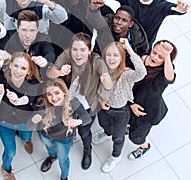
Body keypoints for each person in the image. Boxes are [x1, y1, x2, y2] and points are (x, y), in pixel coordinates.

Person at [47, 32, 113, 170]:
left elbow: (108, 84)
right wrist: (59, 73)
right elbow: (50, 73)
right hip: (67, 101)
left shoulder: (97, 61)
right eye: (75, 49)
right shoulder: (67, 55)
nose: (78, 54)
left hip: (88, 104)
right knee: (64, 124)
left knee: (84, 131)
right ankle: (60, 148)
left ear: (89, 51)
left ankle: (87, 149)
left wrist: (106, 81)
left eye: (83, 50)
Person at [93, 38, 146, 173]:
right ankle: (106, 133)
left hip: (121, 111)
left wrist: (128, 48)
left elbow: (141, 72)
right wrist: (100, 101)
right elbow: (94, 89)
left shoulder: (126, 74)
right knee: (103, 124)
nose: (111, 58)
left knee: (118, 136)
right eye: (109, 55)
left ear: (121, 57)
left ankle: (116, 156)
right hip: (104, 108)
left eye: (116, 55)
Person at [104, 0, 189, 49]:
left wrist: (181, 10)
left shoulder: (160, 5)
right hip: (119, 41)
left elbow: (174, 9)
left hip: (142, 49)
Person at [42, 0, 114, 56]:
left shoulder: (86, 2)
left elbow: (109, 13)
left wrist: (95, 3)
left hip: (80, 48)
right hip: (58, 47)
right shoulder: (57, 0)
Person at [0, 52, 42, 180]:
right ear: (10, 66)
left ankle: (26, 141)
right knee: (11, 151)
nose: (18, 71)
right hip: (4, 121)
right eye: (16, 66)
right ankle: (6, 169)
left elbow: (28, 99)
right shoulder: (1, 79)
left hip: (24, 120)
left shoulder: (33, 82)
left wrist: (18, 101)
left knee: (26, 136)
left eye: (23, 68)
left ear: (29, 72)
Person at [29, 78, 92, 180]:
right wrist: (33, 120)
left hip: (64, 139)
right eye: (49, 94)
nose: (53, 98)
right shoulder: (43, 104)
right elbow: (30, 126)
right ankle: (52, 157)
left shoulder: (73, 102)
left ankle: (64, 177)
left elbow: (87, 118)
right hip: (46, 135)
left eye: (57, 93)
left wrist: (78, 122)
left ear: (64, 92)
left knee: (63, 159)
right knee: (50, 148)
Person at [127, 40, 177, 160]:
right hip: (132, 102)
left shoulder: (161, 75)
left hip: (146, 111)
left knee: (135, 137)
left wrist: (167, 55)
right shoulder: (142, 59)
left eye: (161, 57)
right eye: (154, 52)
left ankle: (144, 147)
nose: (154, 57)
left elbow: (170, 77)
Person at [0, 10, 55, 80]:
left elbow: (50, 53)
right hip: (10, 79)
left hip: (35, 81)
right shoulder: (10, 36)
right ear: (17, 29)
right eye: (24, 30)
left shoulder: (44, 38)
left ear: (37, 30)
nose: (27, 35)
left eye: (32, 30)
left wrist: (45, 60)